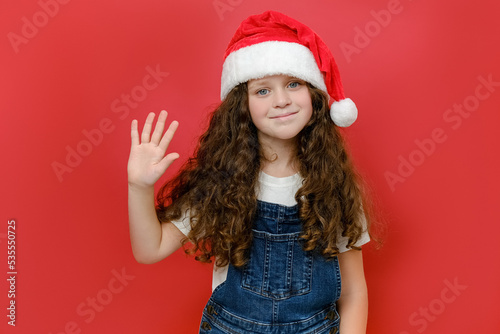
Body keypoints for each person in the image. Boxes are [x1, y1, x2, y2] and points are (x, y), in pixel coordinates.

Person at [128, 10, 372, 334]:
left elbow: (354, 293)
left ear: (314, 93)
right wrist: (138, 187)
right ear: (242, 107)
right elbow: (150, 249)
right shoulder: (221, 181)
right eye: (262, 90)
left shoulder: (334, 185)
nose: (281, 100)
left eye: (293, 83)